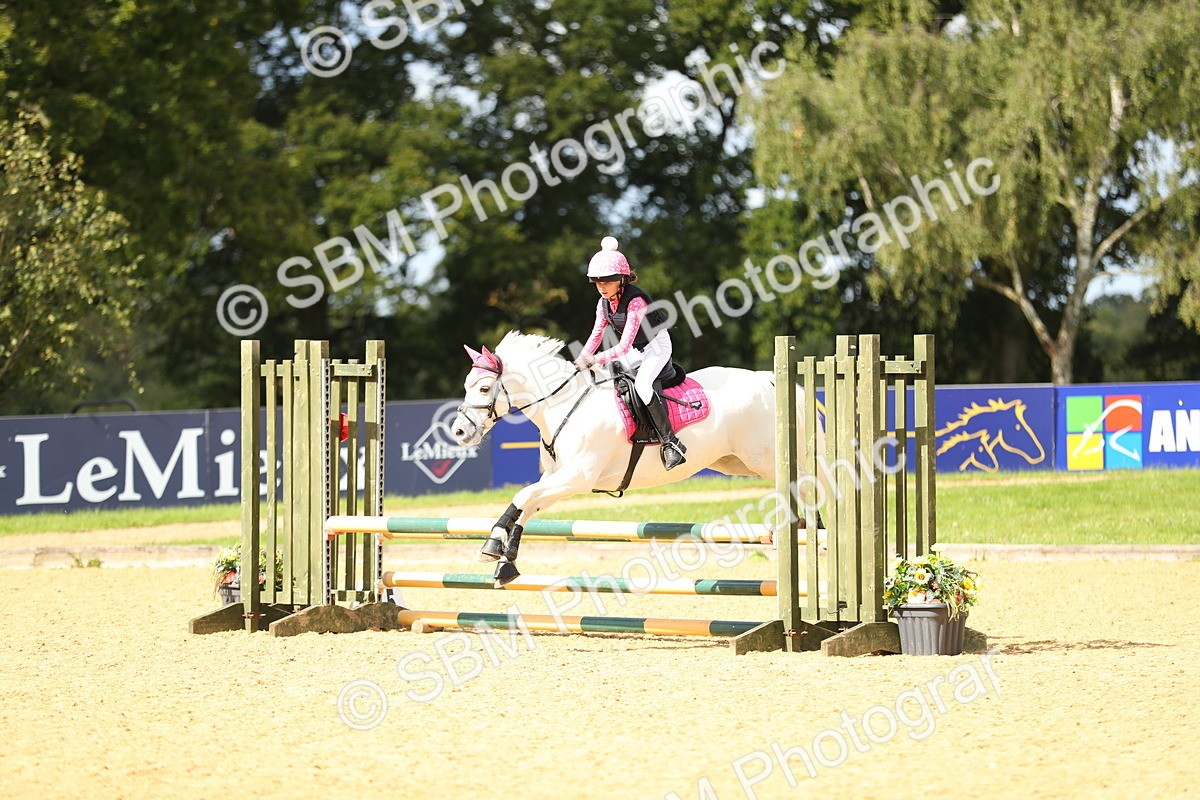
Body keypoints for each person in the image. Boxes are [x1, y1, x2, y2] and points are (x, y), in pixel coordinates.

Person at [573, 236, 686, 469]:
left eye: (607, 281)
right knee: (609, 377)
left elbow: (622, 346)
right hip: (636, 349)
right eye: (597, 282)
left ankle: (671, 443)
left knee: (643, 385)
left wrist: (593, 359)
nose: (601, 286)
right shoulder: (603, 303)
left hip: (656, 347)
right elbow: (596, 335)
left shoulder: (635, 302)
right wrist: (579, 360)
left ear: (622, 280)